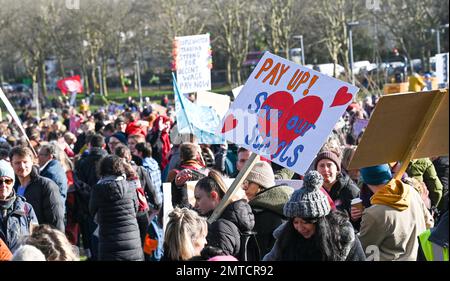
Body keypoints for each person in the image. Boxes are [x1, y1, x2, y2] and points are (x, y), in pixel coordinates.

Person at [263, 171, 366, 261]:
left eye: (305, 222)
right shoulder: (287, 236)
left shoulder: (343, 237)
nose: (300, 228)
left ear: (320, 221)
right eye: (295, 222)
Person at [358, 164, 434, 261]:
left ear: (366, 181)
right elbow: (429, 223)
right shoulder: (411, 191)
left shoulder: (373, 213)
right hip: (421, 257)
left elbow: (363, 249)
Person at [89, 155, 143, 261]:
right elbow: (135, 208)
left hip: (109, 241)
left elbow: (92, 211)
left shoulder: (98, 189)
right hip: (132, 240)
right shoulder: (130, 186)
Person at [194, 170, 255, 259]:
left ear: (213, 195)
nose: (195, 205)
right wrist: (179, 188)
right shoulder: (228, 218)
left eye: (198, 198)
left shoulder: (220, 226)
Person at [242, 161, 293, 257]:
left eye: (247, 183)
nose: (244, 188)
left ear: (260, 185)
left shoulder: (264, 214)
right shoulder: (270, 208)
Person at [10, 146, 64, 231]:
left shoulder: (46, 185)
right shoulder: (10, 187)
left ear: (32, 162)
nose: (22, 166)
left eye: (25, 162)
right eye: (17, 163)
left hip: (40, 240)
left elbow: (56, 221)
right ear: (11, 164)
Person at [0, 160, 38, 253]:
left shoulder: (26, 208)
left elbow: (35, 239)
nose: (3, 185)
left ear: (13, 183)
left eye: (8, 181)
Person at [313, 150, 360, 218]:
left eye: (329, 165)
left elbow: (360, 222)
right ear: (316, 170)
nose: (325, 169)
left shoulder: (351, 190)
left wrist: (355, 218)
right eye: (322, 166)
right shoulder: (313, 192)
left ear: (337, 170)